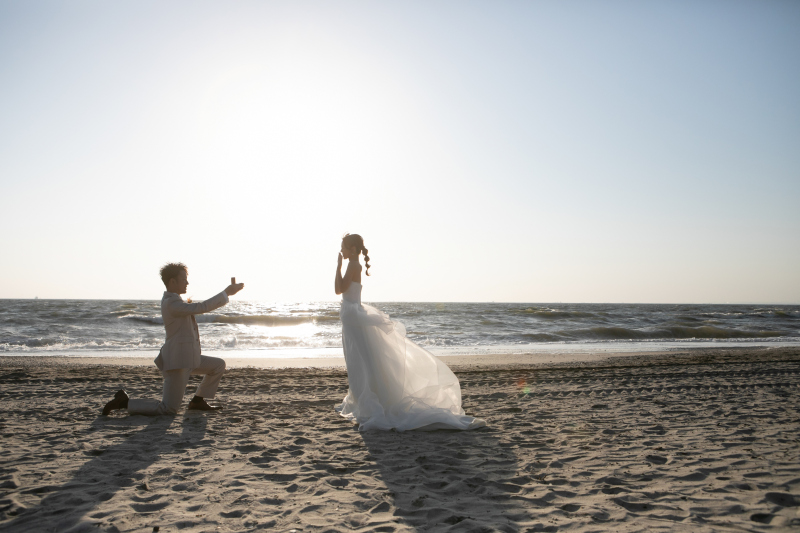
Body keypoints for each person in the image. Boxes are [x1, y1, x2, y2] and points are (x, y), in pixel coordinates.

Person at [334, 233, 485, 431]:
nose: (341, 250)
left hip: (352, 316)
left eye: (343, 247)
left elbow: (338, 289)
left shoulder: (352, 265)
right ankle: (364, 400)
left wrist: (337, 266)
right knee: (360, 360)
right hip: (352, 316)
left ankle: (367, 404)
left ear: (352, 249)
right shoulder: (355, 265)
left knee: (359, 361)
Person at [102, 263, 244, 416]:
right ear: (172, 282)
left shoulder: (177, 301)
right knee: (168, 409)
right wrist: (226, 293)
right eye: (184, 279)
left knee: (218, 365)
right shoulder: (171, 303)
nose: (187, 282)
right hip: (178, 361)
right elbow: (201, 307)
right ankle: (124, 402)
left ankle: (197, 401)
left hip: (189, 358)